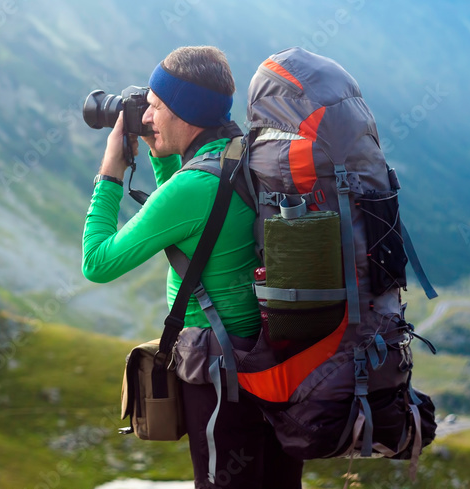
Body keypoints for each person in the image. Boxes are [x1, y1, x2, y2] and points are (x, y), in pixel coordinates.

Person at [81, 46, 304, 488]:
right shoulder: (240, 154)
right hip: (273, 361)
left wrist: (109, 171)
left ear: (186, 112)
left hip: (220, 374)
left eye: (157, 108)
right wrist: (162, 154)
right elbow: (200, 228)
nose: (146, 117)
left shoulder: (193, 186)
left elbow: (98, 262)